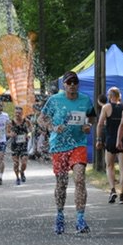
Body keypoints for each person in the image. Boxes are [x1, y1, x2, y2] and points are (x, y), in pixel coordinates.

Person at [39, 71, 96, 234]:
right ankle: (59, 216)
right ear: (63, 85)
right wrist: (52, 127)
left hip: (78, 144)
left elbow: (92, 117)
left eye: (75, 82)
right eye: (69, 83)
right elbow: (41, 119)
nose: (72, 85)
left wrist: (88, 125)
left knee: (79, 179)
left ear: (78, 84)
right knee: (61, 183)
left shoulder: (85, 99)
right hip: (59, 146)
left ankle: (80, 219)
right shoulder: (54, 100)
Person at [96, 87, 123, 203]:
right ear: (119, 96)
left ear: (109, 96)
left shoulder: (106, 107)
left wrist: (99, 139)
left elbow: (100, 124)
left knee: (109, 165)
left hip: (110, 139)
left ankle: (112, 190)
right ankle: (122, 195)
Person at [9, 105, 30, 185]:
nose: (18, 114)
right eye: (16, 113)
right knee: (16, 163)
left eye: (19, 113)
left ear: (22, 113)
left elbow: (31, 130)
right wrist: (11, 134)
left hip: (24, 144)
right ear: (14, 113)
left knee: (24, 162)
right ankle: (17, 177)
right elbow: (7, 132)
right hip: (14, 145)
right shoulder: (11, 122)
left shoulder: (26, 121)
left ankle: (22, 172)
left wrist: (28, 135)